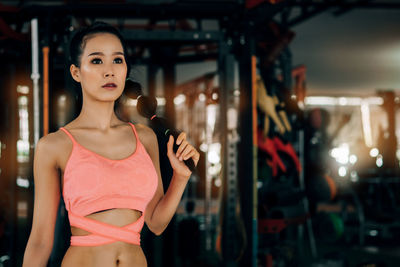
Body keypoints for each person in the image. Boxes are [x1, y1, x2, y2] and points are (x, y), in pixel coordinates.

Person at [22, 22, 200, 267]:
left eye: (117, 60)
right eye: (96, 61)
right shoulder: (54, 145)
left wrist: (181, 177)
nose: (109, 71)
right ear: (76, 72)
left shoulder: (144, 138)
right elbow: (41, 241)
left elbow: (156, 224)